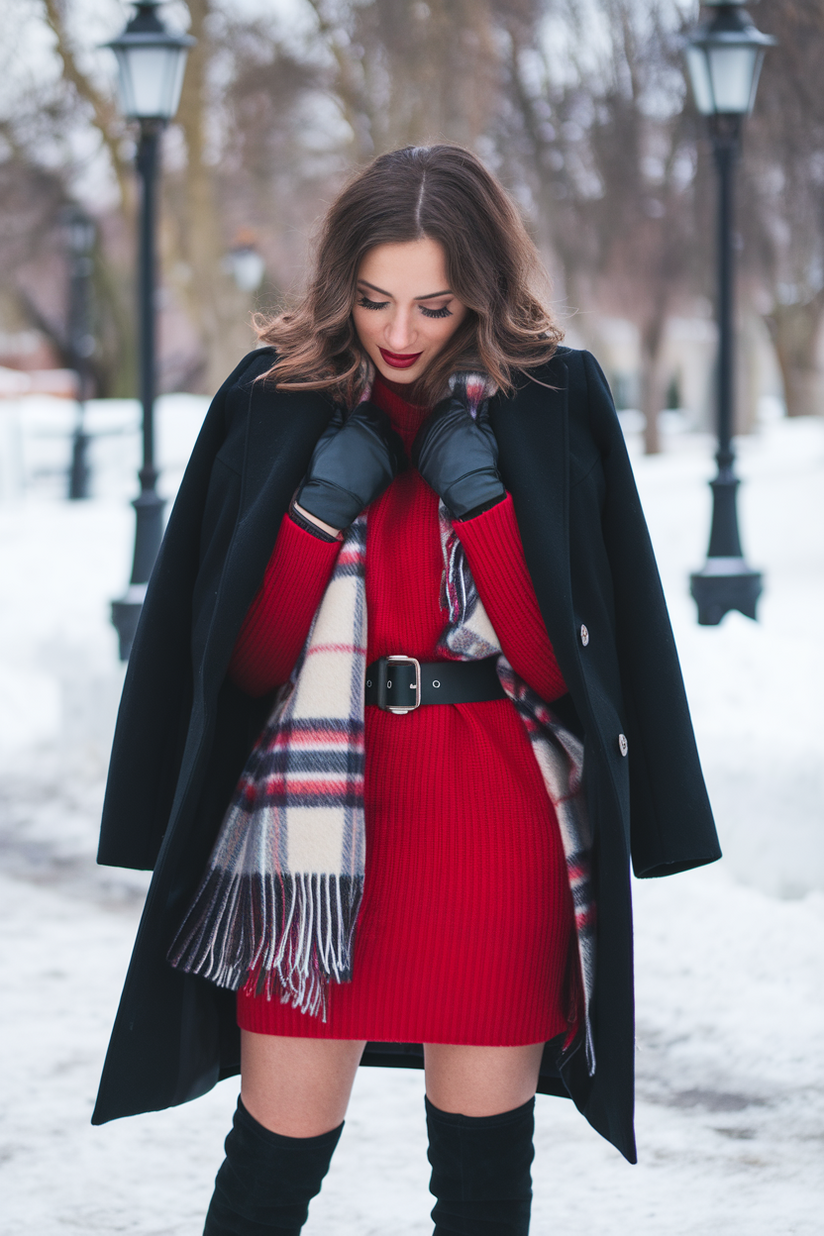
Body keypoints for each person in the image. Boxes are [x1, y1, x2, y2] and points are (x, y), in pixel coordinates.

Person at [92, 144, 720, 1235]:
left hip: (493, 826)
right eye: (375, 300)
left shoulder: (552, 398)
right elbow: (239, 669)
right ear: (341, 284)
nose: (398, 333)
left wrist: (480, 501)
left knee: (481, 1186)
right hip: (305, 847)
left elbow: (554, 665)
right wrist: (313, 513)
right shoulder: (271, 399)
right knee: (266, 1175)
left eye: (433, 304)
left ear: (479, 286)